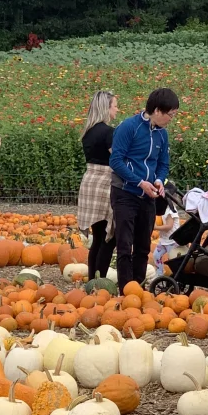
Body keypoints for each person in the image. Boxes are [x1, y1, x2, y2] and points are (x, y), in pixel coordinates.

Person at [109, 88, 178, 289]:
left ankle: (138, 288)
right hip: (125, 193)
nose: (171, 119)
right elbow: (116, 160)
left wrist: (159, 180)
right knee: (124, 244)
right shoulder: (129, 127)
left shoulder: (162, 134)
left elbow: (163, 163)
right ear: (157, 110)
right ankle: (125, 290)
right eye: (170, 115)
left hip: (148, 197)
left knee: (143, 246)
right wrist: (139, 182)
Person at [76, 90, 118, 280]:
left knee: (98, 237)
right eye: (115, 106)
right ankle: (100, 283)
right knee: (109, 238)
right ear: (106, 108)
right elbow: (117, 159)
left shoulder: (87, 132)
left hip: (90, 181)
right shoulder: (108, 132)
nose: (117, 109)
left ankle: (93, 281)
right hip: (105, 182)